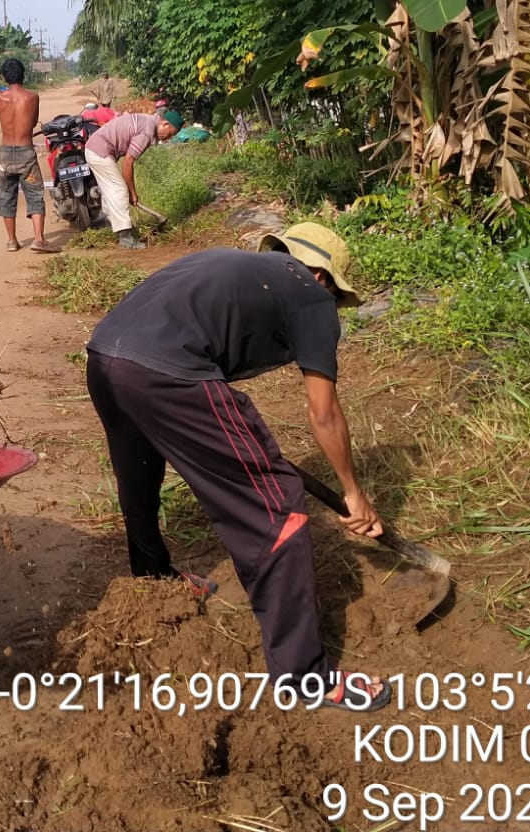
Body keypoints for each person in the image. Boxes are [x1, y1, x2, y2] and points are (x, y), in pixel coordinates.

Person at [83, 225, 392, 711]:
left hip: (105, 356)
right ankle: (303, 674)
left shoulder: (226, 262)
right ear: (321, 275)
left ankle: (153, 579)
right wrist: (354, 492)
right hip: (169, 372)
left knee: (139, 472)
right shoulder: (312, 296)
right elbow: (324, 412)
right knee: (275, 503)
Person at [0, 53, 58, 254]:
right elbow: (32, 123)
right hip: (25, 153)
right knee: (35, 195)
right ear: (24, 76)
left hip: (5, 154)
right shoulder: (32, 97)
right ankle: (39, 239)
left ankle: (12, 241)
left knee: (6, 196)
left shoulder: (0, 97)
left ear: (4, 77)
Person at [84, 108, 181, 249]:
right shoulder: (147, 131)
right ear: (165, 124)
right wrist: (132, 192)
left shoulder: (147, 121)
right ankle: (125, 238)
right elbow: (128, 162)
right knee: (119, 190)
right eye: (170, 134)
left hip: (95, 149)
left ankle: (112, 225)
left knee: (111, 190)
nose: (168, 138)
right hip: (99, 152)